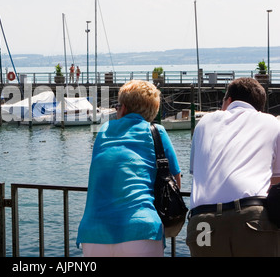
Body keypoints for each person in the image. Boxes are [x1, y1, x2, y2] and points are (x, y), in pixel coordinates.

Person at [76, 80, 181, 257]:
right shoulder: (156, 132)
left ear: (123, 108)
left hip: (94, 232)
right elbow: (175, 181)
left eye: (117, 106)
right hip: (141, 229)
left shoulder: (104, 131)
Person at [187, 77, 280, 257]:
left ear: (228, 101)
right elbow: (276, 181)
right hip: (250, 219)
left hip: (202, 223)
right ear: (259, 107)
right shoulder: (272, 123)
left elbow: (197, 172)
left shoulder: (204, 123)